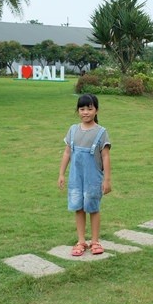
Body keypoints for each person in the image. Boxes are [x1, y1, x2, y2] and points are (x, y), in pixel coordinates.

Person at [58, 93, 112, 256]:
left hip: (93, 178)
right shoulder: (73, 130)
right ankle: (81, 241)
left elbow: (105, 156)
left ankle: (95, 241)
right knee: (78, 207)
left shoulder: (101, 132)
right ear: (78, 111)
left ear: (96, 110)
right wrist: (61, 174)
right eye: (82, 109)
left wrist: (107, 180)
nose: (85, 112)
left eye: (89, 108)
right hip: (76, 178)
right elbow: (67, 153)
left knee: (93, 207)